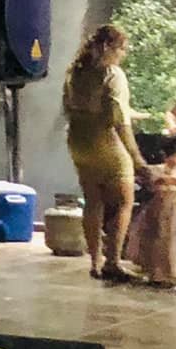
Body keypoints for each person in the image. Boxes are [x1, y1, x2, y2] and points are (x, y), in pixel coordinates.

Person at [62, 24, 149, 281]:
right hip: (106, 141)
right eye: (122, 49)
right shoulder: (112, 74)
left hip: (78, 139)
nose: (124, 54)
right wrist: (137, 158)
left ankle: (94, 261)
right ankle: (113, 261)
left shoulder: (75, 72)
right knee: (123, 201)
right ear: (109, 47)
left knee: (93, 201)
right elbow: (117, 119)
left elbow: (72, 107)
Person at [123, 135, 176, 289]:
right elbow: (149, 187)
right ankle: (157, 271)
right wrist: (159, 182)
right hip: (160, 207)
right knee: (157, 239)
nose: (175, 160)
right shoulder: (157, 170)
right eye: (171, 156)